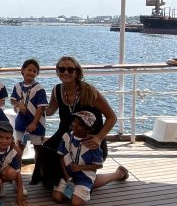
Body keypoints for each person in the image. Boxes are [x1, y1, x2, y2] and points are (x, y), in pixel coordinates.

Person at [32, 56, 128, 188]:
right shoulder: (57, 90)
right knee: (46, 156)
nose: (66, 72)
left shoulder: (88, 91)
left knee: (78, 182)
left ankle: (118, 174)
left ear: (77, 72)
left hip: (88, 140)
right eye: (62, 69)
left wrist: (99, 138)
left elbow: (112, 117)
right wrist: (32, 105)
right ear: (57, 72)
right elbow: (49, 111)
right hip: (66, 137)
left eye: (70, 70)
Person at [52, 111, 104, 206]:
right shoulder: (66, 136)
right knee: (57, 197)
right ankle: (78, 189)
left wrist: (80, 167)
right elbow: (61, 157)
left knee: (76, 204)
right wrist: (66, 175)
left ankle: (84, 187)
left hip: (84, 177)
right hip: (68, 175)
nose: (75, 125)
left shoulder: (92, 143)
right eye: (75, 121)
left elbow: (99, 165)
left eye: (80, 125)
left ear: (89, 129)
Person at [10, 59, 47, 153]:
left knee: (38, 148)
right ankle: (18, 162)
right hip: (21, 121)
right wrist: (18, 104)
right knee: (19, 146)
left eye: (34, 71)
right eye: (29, 70)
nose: (31, 73)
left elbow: (41, 107)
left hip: (37, 123)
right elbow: (12, 100)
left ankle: (38, 164)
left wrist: (34, 123)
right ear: (22, 70)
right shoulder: (17, 86)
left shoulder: (39, 88)